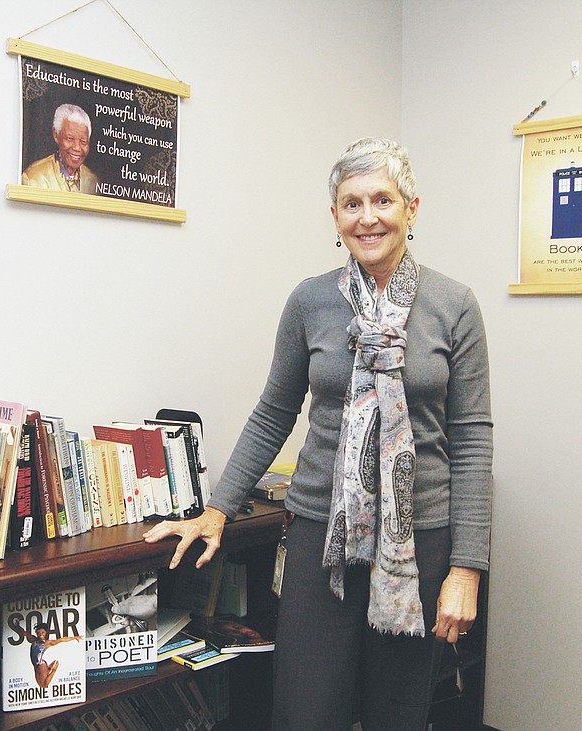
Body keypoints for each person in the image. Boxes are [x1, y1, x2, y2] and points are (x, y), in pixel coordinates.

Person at [144, 137, 493, 730]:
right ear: (334, 217)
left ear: (412, 207)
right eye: (351, 203)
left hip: (419, 540)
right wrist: (218, 509)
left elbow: (472, 438)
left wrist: (466, 571)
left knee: (397, 714)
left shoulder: (454, 306)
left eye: (382, 199)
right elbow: (274, 411)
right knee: (306, 710)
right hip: (319, 535)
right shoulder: (310, 302)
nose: (368, 217)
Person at [21, 103, 99, 194]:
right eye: (70, 139)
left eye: (83, 142)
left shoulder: (93, 181)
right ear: (56, 135)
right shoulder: (34, 178)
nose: (77, 148)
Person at [25, 623, 82, 689]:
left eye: (43, 632)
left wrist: (74, 638)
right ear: (36, 633)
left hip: (40, 664)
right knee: (42, 684)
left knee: (44, 685)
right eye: (38, 633)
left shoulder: (47, 643)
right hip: (38, 664)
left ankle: (53, 670)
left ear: (45, 633)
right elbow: (24, 633)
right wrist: (17, 626)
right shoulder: (33, 639)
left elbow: (61, 640)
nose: (40, 634)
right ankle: (50, 669)